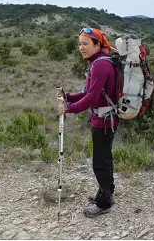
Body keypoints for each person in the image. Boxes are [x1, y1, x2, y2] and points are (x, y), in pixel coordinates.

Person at [57, 27, 121, 218]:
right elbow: (87, 93)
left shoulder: (100, 65)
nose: (81, 47)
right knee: (104, 159)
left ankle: (104, 203)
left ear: (97, 45)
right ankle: (105, 192)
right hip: (102, 119)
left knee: (100, 163)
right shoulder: (97, 63)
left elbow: (92, 98)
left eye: (85, 43)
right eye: (79, 44)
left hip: (104, 121)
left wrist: (69, 108)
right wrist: (68, 97)